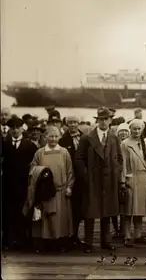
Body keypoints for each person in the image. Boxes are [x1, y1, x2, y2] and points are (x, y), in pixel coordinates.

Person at [75, 107, 123, 253]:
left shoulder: (114, 138)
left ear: (110, 120)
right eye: (101, 119)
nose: (103, 122)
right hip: (92, 181)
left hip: (109, 181)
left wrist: (116, 172)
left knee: (107, 213)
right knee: (91, 213)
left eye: (106, 119)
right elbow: (78, 158)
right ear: (97, 121)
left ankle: (105, 241)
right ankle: (88, 243)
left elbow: (120, 158)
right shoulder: (87, 138)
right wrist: (85, 175)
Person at [28, 125, 74, 253]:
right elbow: (32, 169)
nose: (53, 139)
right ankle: (43, 243)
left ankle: (60, 243)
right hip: (44, 193)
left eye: (56, 136)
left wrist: (69, 187)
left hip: (60, 192)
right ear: (45, 137)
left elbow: (70, 171)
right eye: (51, 136)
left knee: (60, 219)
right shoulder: (40, 152)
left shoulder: (64, 152)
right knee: (44, 219)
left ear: (59, 137)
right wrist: (41, 174)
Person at [1, 115, 38, 250]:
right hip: (8, 184)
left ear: (23, 129)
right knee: (8, 213)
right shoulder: (4, 144)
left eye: (18, 128)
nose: (15, 130)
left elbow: (35, 164)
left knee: (24, 212)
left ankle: (24, 241)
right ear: (9, 130)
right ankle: (9, 241)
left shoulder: (29, 145)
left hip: (23, 184)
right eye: (13, 128)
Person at [120, 119, 146, 247]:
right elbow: (122, 163)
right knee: (129, 209)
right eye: (134, 129)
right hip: (131, 177)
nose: (137, 131)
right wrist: (123, 180)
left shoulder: (144, 142)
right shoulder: (125, 144)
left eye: (139, 129)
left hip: (143, 178)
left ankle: (138, 234)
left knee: (140, 209)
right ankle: (127, 236)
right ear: (130, 129)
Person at [58, 115, 85, 247]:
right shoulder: (63, 140)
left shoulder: (85, 137)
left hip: (82, 178)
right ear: (66, 124)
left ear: (78, 123)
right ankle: (68, 236)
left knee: (80, 208)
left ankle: (75, 235)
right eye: (70, 123)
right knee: (70, 208)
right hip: (69, 177)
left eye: (75, 122)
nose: (73, 125)